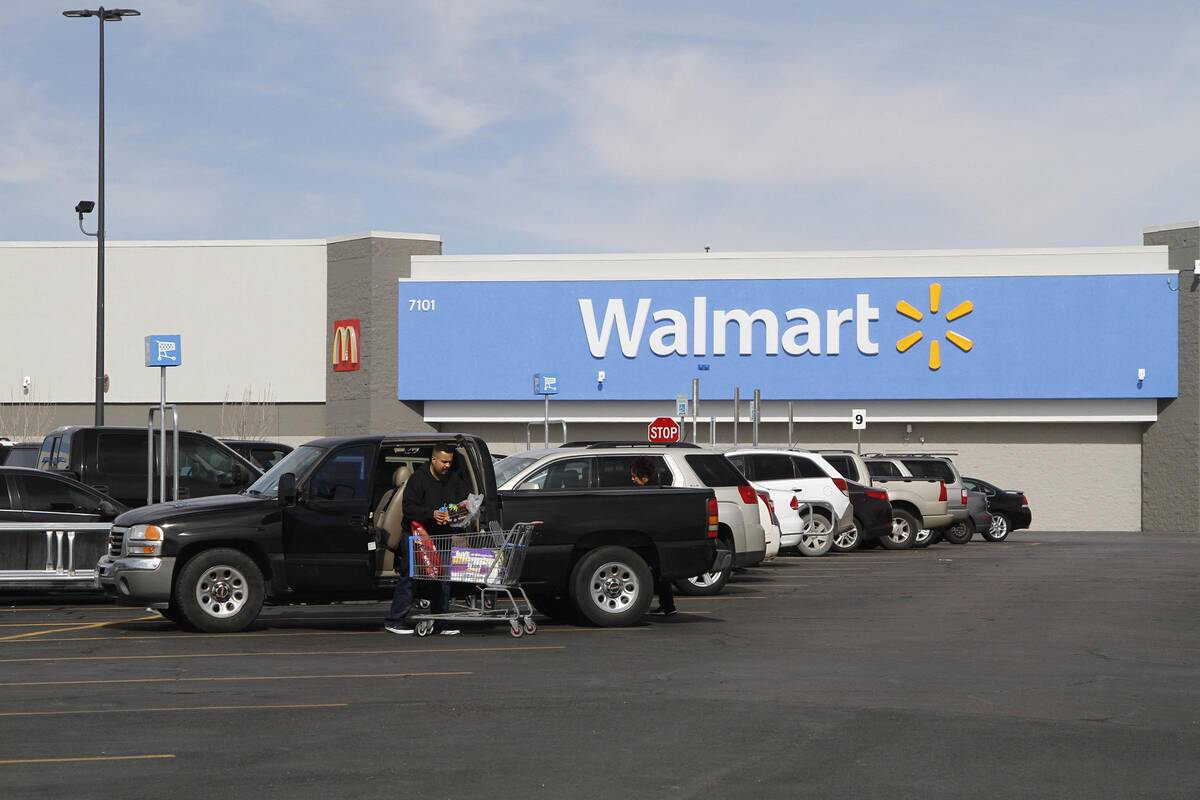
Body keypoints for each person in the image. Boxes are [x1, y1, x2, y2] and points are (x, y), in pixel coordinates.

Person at [384, 445, 470, 635]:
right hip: (417, 535)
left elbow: (463, 503)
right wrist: (431, 514)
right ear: (433, 460)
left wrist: (455, 513)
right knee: (410, 577)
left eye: (450, 462)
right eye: (444, 462)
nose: (447, 465)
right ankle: (395, 620)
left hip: (442, 536)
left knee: (442, 580)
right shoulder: (418, 479)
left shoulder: (453, 480)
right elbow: (409, 508)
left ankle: (441, 622)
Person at [630, 457, 678, 617]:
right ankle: (667, 606)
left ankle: (665, 606)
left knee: (654, 573)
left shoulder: (645, 493)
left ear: (643, 476)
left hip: (650, 539)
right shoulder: (658, 489)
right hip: (658, 538)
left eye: (634, 476)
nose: (632, 479)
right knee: (658, 573)